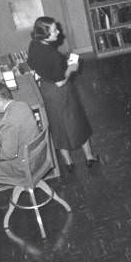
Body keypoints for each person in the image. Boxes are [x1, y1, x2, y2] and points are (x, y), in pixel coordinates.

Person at [27, 16, 97, 172]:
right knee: (77, 122)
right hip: (61, 91)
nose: (58, 32)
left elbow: (31, 63)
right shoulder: (55, 56)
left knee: (57, 126)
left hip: (45, 89)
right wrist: (71, 68)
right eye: (54, 30)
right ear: (45, 35)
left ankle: (68, 163)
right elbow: (61, 81)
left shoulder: (34, 45)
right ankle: (89, 157)